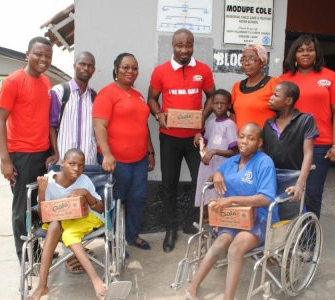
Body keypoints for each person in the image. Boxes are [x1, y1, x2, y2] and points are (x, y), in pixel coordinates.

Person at [185, 122, 279, 300]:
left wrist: (231, 199)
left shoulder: (264, 163)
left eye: (251, 138)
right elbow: (217, 174)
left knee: (235, 249)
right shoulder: (232, 161)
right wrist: (217, 175)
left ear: (259, 143)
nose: (244, 141)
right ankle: (192, 289)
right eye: (242, 136)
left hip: (259, 217)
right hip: (233, 218)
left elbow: (266, 198)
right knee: (219, 244)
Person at [147, 28, 216, 253]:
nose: (184, 50)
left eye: (189, 45)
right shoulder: (160, 71)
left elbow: (212, 97)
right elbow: (152, 99)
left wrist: (201, 119)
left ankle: (191, 223)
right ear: (173, 46)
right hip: (169, 139)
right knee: (169, 185)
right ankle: (170, 229)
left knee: (201, 182)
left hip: (196, 139)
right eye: (180, 45)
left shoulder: (203, 70)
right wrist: (158, 115)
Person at [0, 36, 58, 264]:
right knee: (22, 211)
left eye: (48, 56)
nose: (43, 59)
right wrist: (5, 159)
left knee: (39, 208)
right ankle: (24, 259)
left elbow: (48, 120)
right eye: (39, 54)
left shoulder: (47, 82)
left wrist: (54, 150)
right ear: (27, 54)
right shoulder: (13, 81)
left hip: (42, 156)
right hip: (20, 156)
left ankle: (39, 253)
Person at [280, 34, 335, 222]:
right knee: (288, 191)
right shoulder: (285, 79)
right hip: (290, 144)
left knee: (313, 193)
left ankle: (309, 239)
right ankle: (288, 235)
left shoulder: (329, 77)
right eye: (300, 50)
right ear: (294, 54)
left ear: (317, 53)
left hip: (320, 145)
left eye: (310, 49)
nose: (305, 53)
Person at [93, 52, 155, 252]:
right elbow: (99, 126)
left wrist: (150, 152)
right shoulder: (107, 94)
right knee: (115, 201)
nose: (130, 71)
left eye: (134, 68)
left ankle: (132, 235)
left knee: (138, 198)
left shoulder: (138, 95)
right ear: (116, 69)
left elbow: (142, 126)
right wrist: (107, 154)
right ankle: (113, 240)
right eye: (125, 67)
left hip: (139, 160)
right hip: (116, 161)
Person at [27, 148, 107, 300]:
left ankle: (96, 280)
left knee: (68, 234)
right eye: (72, 163)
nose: (77, 169)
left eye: (81, 165)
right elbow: (44, 217)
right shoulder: (48, 181)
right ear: (62, 163)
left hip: (88, 217)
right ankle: (42, 285)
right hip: (61, 219)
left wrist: (85, 193)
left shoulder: (84, 180)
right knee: (53, 226)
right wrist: (42, 192)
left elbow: (101, 208)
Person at [263, 81, 319, 219]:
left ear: (288, 100)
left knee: (293, 216)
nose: (270, 98)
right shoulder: (268, 124)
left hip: (294, 177)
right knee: (270, 215)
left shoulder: (305, 120)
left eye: (275, 95)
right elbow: (263, 154)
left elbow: (308, 154)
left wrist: (299, 185)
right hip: (271, 177)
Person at [49, 51, 98, 165]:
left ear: (93, 70)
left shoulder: (94, 97)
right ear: (74, 66)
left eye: (90, 66)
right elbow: (51, 125)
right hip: (63, 160)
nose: (86, 68)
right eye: (82, 64)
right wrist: (56, 152)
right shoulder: (59, 92)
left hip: (88, 162)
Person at [193, 89, 238, 210]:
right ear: (211, 104)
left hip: (221, 169)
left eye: (223, 104)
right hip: (208, 167)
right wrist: (198, 136)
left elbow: (235, 151)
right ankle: (208, 223)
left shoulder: (230, 124)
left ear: (228, 106)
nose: (219, 106)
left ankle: (220, 225)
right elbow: (206, 142)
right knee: (207, 197)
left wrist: (214, 152)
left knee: (220, 197)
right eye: (216, 103)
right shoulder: (211, 123)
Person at [229, 43, 282, 132]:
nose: (246, 63)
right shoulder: (237, 86)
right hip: (242, 143)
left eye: (252, 59)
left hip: (265, 142)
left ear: (262, 62)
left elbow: (284, 114)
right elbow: (233, 116)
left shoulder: (274, 83)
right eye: (243, 59)